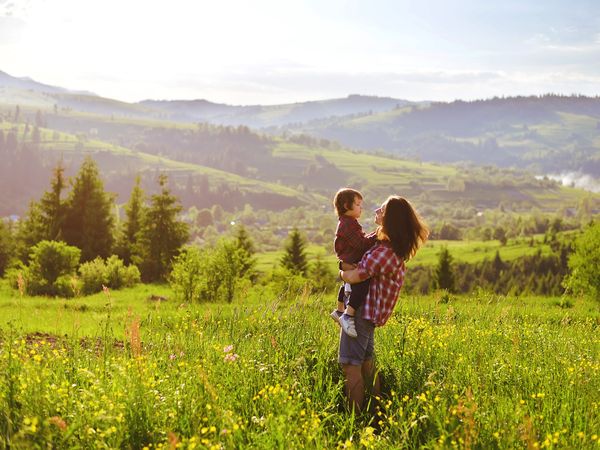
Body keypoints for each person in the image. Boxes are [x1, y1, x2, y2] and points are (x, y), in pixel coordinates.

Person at [338, 195, 428, 412]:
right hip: (366, 314)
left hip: (361, 314)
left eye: (383, 209)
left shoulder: (386, 252)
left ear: (392, 219)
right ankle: (377, 412)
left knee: (351, 365)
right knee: (367, 365)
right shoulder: (386, 245)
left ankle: (357, 418)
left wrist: (342, 271)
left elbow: (357, 275)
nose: (377, 210)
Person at [331, 188, 377, 338]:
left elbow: (361, 240)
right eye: (357, 204)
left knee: (347, 285)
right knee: (362, 282)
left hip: (348, 259)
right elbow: (362, 244)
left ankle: (339, 310)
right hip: (351, 258)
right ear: (346, 206)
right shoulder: (348, 224)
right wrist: (377, 236)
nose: (360, 208)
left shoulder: (347, 222)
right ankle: (348, 314)